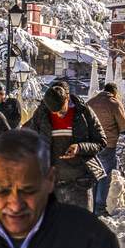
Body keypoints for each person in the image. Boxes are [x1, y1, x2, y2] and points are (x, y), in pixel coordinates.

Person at [23, 79, 105, 209]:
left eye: (61, 110)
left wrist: (80, 147)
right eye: (53, 112)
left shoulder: (84, 112)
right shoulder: (41, 114)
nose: (58, 115)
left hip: (80, 181)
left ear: (67, 98)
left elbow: (101, 142)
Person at [86, 82, 125, 216]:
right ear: (114, 93)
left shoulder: (90, 102)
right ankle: (100, 208)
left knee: (94, 175)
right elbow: (123, 126)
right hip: (108, 145)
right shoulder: (114, 103)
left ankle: (91, 207)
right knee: (104, 176)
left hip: (91, 145)